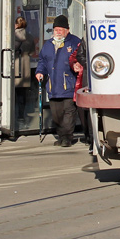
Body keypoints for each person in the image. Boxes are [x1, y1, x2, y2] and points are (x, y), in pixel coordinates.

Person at [36, 15, 82, 147]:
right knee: (56, 114)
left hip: (68, 84)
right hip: (53, 86)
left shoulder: (74, 42)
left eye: (61, 29)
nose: (58, 32)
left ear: (67, 30)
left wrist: (77, 66)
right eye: (56, 29)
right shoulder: (48, 45)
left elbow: (80, 58)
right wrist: (39, 72)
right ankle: (61, 136)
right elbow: (42, 61)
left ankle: (67, 137)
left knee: (68, 112)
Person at [13, 16, 37, 126]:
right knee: (22, 93)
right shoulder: (30, 36)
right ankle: (21, 116)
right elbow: (32, 52)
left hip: (15, 64)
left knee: (12, 92)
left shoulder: (11, 36)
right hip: (26, 65)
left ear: (17, 25)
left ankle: (11, 115)